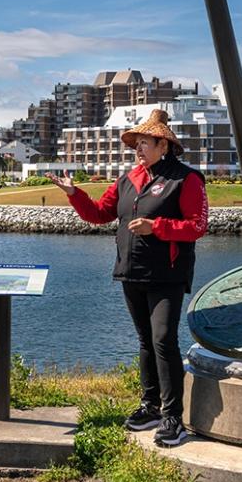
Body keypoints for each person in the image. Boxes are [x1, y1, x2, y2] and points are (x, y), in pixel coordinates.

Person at [48, 109, 208, 447]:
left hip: (167, 275)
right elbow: (99, 214)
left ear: (163, 145)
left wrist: (158, 227)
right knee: (146, 342)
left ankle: (173, 417)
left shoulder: (186, 179)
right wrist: (74, 193)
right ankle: (150, 405)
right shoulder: (129, 180)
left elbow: (197, 226)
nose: (137, 148)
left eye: (144, 143)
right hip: (131, 273)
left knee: (164, 340)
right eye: (136, 143)